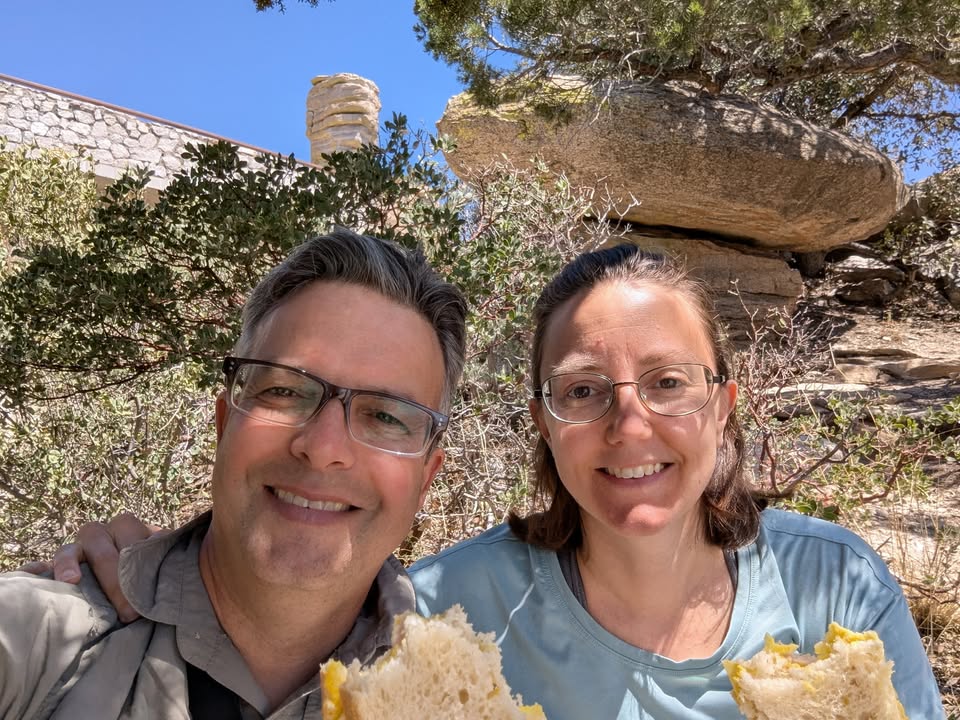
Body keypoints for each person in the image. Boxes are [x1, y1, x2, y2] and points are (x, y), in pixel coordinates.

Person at [35, 245, 945, 719]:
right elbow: (280, 599)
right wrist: (151, 567)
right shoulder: (441, 612)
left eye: (668, 382)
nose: (630, 424)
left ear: (724, 404)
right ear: (544, 423)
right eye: (582, 391)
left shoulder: (837, 586)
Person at [0, 227, 468, 719]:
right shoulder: (34, 646)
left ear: (425, 480)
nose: (322, 448)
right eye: (285, 391)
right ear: (225, 423)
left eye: (387, 416)